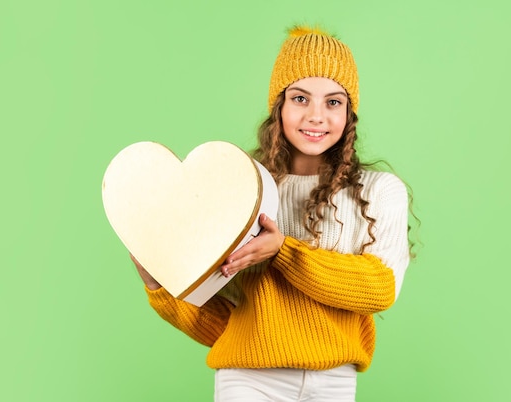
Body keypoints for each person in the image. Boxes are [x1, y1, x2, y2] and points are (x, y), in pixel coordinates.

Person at [131, 25, 416, 402]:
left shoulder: (379, 191)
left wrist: (283, 252)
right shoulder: (239, 190)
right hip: (249, 380)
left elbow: (379, 288)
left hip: (334, 380)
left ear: (350, 113)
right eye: (300, 98)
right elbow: (225, 323)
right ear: (278, 105)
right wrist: (160, 286)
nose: (316, 115)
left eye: (333, 102)